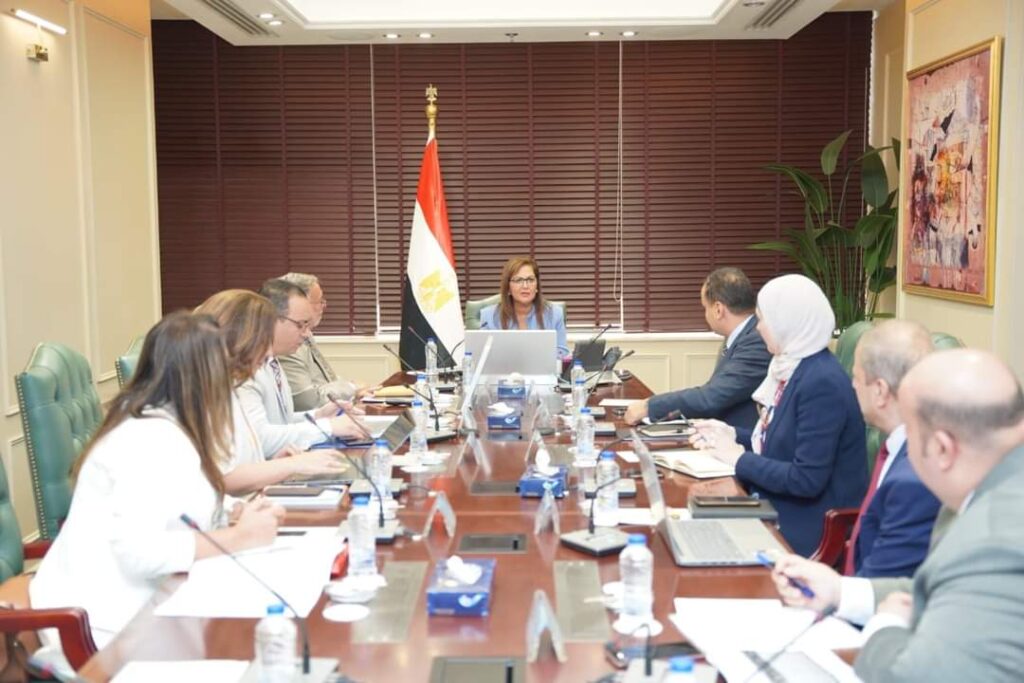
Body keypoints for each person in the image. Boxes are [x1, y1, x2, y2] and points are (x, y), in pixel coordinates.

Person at [29, 312, 283, 649]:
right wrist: (239, 537)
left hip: (151, 604)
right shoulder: (149, 439)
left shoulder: (166, 424)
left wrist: (234, 510)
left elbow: (178, 500)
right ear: (203, 378)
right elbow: (141, 553)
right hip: (107, 628)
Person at [769, 349, 1024, 683]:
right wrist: (841, 591)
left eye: (909, 437)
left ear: (942, 449)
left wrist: (884, 627)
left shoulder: (992, 540)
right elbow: (944, 586)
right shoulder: (993, 486)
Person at [692, 274, 867, 556]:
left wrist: (738, 458)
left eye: (763, 319)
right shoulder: (794, 367)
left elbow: (805, 480)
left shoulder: (821, 382)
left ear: (788, 323)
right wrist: (730, 433)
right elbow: (779, 442)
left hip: (805, 527)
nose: (758, 327)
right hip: (775, 506)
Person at [195, 289, 349, 493]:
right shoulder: (206, 395)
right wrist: (289, 465)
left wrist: (274, 464)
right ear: (235, 338)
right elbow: (220, 479)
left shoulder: (225, 385)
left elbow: (248, 448)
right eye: (262, 340)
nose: (269, 353)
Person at [845, 320, 940, 577]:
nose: (853, 385)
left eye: (856, 377)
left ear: (880, 390)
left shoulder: (914, 479)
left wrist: (835, 591)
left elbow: (883, 580)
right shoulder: (902, 445)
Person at [623, 267, 771, 429]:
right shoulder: (740, 336)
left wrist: (649, 407)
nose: (705, 314)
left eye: (705, 307)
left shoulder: (757, 341)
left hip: (740, 438)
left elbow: (712, 397)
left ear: (718, 310)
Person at [237, 279, 364, 456]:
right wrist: (327, 427)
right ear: (271, 320)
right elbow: (259, 440)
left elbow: (281, 422)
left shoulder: (273, 361)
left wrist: (318, 415)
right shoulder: (243, 369)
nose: (306, 334)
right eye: (300, 325)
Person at [277, 272, 371, 411]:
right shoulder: (286, 344)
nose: (324, 306)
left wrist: (352, 394)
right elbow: (306, 401)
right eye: (319, 301)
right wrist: (352, 387)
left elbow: (326, 380)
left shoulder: (305, 334)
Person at [480, 256, 568, 357]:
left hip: (542, 367)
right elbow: (482, 355)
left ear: (537, 286)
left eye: (530, 280)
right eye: (518, 280)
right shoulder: (489, 316)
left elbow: (562, 352)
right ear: (508, 287)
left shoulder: (554, 314)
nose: (525, 286)